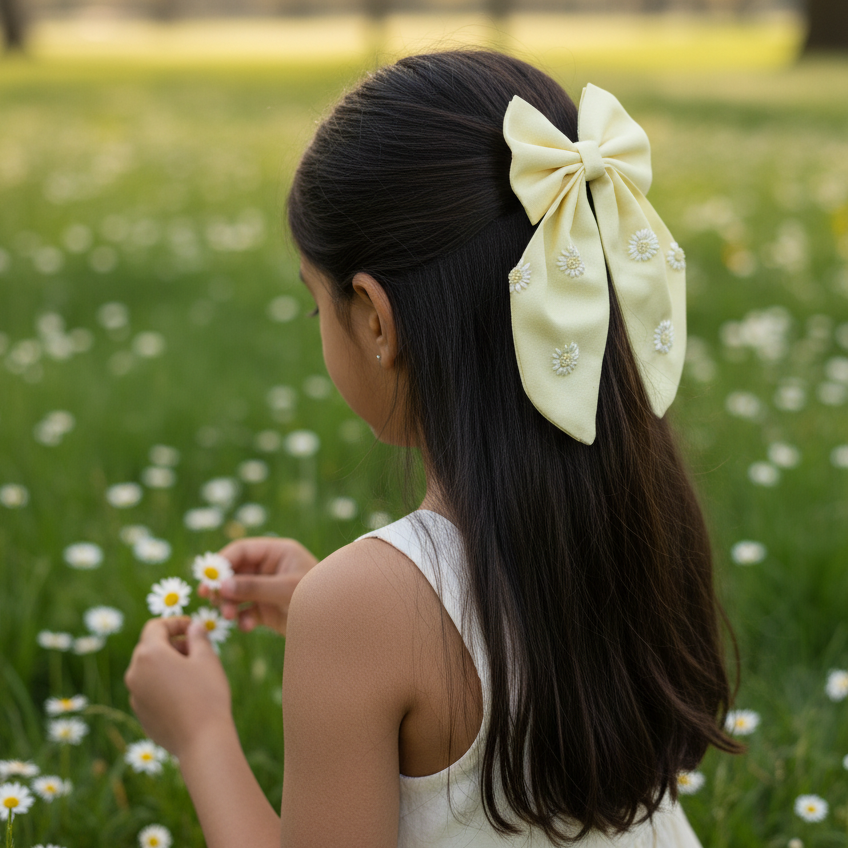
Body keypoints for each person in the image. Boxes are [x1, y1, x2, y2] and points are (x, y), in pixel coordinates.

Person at [125, 49, 743, 848]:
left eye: (317, 306)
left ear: (376, 321)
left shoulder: (363, 610)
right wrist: (344, 617)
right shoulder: (645, 504)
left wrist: (201, 734)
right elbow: (505, 658)